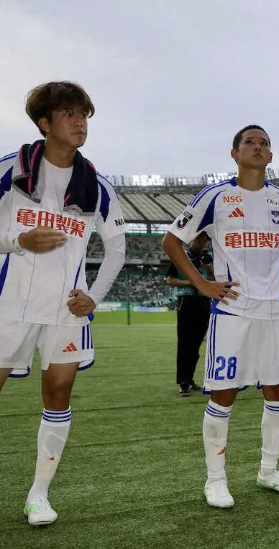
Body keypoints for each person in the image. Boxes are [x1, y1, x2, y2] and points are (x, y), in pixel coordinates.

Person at [0, 82, 127, 526]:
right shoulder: (10, 168)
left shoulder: (98, 185)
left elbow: (117, 249)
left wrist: (94, 296)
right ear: (44, 122)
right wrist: (18, 240)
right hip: (8, 306)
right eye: (69, 113)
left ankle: (39, 494)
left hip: (66, 312)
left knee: (58, 395)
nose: (80, 122)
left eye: (84, 115)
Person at [162, 125, 279, 508]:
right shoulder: (216, 197)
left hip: (274, 313)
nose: (257, 147)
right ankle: (215, 480)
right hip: (232, 312)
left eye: (264, 143)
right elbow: (171, 240)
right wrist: (202, 283)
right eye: (249, 142)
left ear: (271, 156)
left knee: (278, 392)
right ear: (234, 153)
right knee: (223, 394)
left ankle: (269, 472)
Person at [166, 232, 212, 396]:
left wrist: (209, 269)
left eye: (204, 241)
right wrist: (193, 282)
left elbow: (215, 278)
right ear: (191, 239)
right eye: (199, 240)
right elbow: (170, 280)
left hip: (204, 302)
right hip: (186, 302)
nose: (202, 244)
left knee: (196, 345)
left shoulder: (208, 258)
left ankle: (189, 379)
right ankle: (183, 382)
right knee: (185, 344)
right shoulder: (180, 256)